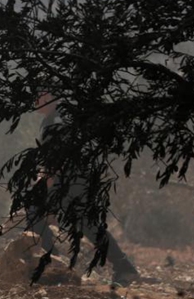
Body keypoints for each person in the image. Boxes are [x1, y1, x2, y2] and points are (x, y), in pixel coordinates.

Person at [27, 94, 139, 286]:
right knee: (87, 223)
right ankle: (123, 268)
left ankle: (53, 266)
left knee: (38, 211)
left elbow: (57, 158)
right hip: (80, 177)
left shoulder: (56, 120)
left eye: (39, 95)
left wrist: (49, 184)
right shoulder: (62, 115)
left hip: (72, 179)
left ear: (50, 96)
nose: (34, 100)